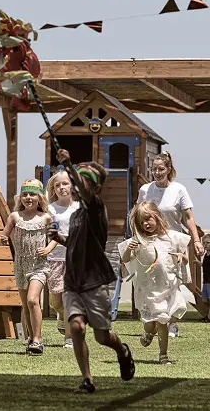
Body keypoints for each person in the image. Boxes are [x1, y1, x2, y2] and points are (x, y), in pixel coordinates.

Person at [47, 149, 135, 393]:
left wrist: (68, 164)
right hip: (73, 280)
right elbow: (77, 242)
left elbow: (85, 193)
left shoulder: (96, 207)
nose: (77, 186)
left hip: (94, 281)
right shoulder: (76, 214)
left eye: (82, 182)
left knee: (102, 337)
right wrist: (61, 238)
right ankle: (87, 379)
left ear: (95, 188)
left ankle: (122, 351)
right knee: (76, 327)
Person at [137, 151, 204, 337]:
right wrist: (137, 238)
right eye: (154, 169)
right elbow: (137, 214)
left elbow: (188, 217)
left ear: (168, 169)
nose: (157, 173)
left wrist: (196, 240)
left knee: (174, 284)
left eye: (161, 169)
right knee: (152, 284)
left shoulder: (179, 190)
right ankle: (152, 321)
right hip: (151, 242)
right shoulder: (145, 190)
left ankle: (171, 324)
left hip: (174, 242)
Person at [118, 201, 190, 364]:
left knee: (163, 319)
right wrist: (129, 249)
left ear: (157, 216)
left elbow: (185, 259)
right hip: (148, 290)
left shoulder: (172, 237)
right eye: (141, 222)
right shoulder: (139, 241)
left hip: (167, 287)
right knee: (151, 324)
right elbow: (126, 259)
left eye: (148, 219)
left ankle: (163, 355)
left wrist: (181, 257)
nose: (145, 224)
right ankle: (148, 332)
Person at [0, 179, 53, 355]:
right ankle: (31, 338)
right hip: (21, 265)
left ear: (40, 198)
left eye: (32, 194)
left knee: (32, 300)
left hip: (39, 265)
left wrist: (47, 249)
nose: (28, 197)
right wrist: (3, 239)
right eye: (25, 194)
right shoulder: (15, 217)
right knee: (26, 304)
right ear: (20, 198)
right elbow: (4, 235)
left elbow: (56, 238)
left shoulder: (45, 218)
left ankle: (37, 340)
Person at [45, 169, 80, 348]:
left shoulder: (80, 207)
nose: (61, 187)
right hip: (54, 259)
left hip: (75, 259)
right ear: (53, 189)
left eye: (65, 183)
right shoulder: (50, 209)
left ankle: (69, 338)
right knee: (56, 302)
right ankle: (60, 315)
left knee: (69, 300)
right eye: (57, 185)